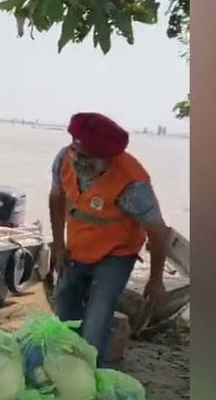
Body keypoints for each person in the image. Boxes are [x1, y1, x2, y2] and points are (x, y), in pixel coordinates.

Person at [48, 112, 170, 367]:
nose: (78, 162)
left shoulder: (133, 185)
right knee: (64, 300)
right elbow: (56, 198)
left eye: (88, 159)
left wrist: (156, 280)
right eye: (76, 153)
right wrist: (58, 246)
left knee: (98, 315)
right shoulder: (63, 159)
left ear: (108, 159)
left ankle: (92, 373)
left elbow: (158, 232)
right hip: (78, 244)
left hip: (117, 252)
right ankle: (68, 363)